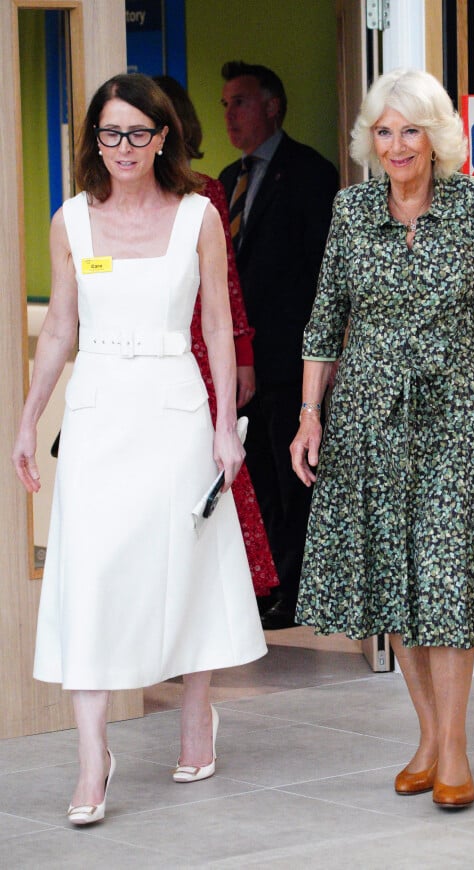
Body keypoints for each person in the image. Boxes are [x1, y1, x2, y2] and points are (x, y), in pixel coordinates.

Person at [290, 68, 474, 809]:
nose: (396, 144)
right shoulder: (350, 210)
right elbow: (323, 321)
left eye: (409, 130)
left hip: (459, 415)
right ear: (368, 140)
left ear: (435, 138)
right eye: (382, 130)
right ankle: (429, 738)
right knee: (397, 580)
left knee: (447, 575)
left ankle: (457, 745)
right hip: (370, 419)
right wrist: (311, 414)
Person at [12, 73, 267, 825]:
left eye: (137, 133)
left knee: (183, 564)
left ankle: (196, 710)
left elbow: (218, 324)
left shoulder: (198, 217)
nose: (122, 148)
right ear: (94, 140)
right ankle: (94, 757)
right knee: (90, 574)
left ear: (164, 138)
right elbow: (61, 327)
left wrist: (224, 425)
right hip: (97, 415)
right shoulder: (72, 223)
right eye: (109, 133)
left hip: (175, 409)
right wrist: (29, 418)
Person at [219, 60, 339, 629]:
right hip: (240, 363)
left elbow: (326, 277)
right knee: (258, 477)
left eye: (239, 102)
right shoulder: (224, 181)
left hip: (294, 362)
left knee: (297, 483)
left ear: (271, 106)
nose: (229, 114)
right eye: (224, 105)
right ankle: (266, 586)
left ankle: (296, 593)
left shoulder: (311, 174)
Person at [153, 74, 279, 598]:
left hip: (203, 347)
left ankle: (220, 591)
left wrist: (243, 357)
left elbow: (227, 284)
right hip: (146, 347)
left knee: (209, 464)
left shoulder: (207, 191)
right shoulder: (101, 205)